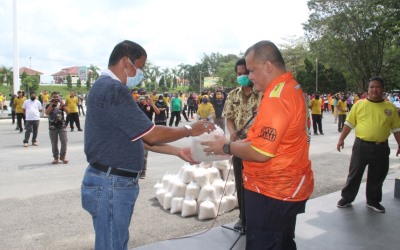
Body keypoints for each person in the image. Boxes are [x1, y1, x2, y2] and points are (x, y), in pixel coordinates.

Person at [80, 40, 215, 250]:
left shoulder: (104, 87)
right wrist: (189, 129)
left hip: (109, 181)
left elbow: (139, 138)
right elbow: (151, 135)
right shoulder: (114, 89)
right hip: (111, 184)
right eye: (140, 67)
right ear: (126, 62)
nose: (140, 74)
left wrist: (178, 151)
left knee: (115, 242)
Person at [203, 40, 314, 249]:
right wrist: (244, 141)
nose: (250, 77)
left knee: (266, 243)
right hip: (284, 186)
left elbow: (260, 152)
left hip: (272, 191)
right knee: (282, 241)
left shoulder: (277, 97)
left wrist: (225, 146)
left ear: (268, 66)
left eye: (252, 70)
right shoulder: (290, 87)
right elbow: (272, 139)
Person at [336, 76, 400, 213]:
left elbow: (396, 128)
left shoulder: (390, 108)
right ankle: (346, 198)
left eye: (377, 87)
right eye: (372, 87)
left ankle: (373, 201)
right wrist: (341, 139)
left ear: (382, 89)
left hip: (381, 147)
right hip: (361, 146)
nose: (374, 89)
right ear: (368, 89)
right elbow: (349, 123)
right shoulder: (359, 104)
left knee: (377, 176)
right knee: (354, 173)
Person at [222, 58, 262, 231]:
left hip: (257, 147)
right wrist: (232, 133)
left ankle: (257, 219)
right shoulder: (232, 95)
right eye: (240, 74)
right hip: (239, 146)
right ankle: (243, 219)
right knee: (240, 183)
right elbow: (228, 118)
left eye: (246, 73)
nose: (243, 76)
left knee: (257, 184)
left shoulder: (262, 93)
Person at [45, 91, 70, 164]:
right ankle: (56, 158)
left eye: (57, 97)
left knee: (64, 141)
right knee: (54, 143)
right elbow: (46, 113)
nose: (56, 98)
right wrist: (52, 104)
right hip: (52, 127)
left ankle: (63, 157)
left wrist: (62, 104)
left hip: (62, 126)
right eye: (54, 97)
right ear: (51, 97)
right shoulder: (49, 105)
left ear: (59, 97)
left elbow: (68, 112)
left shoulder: (61, 105)